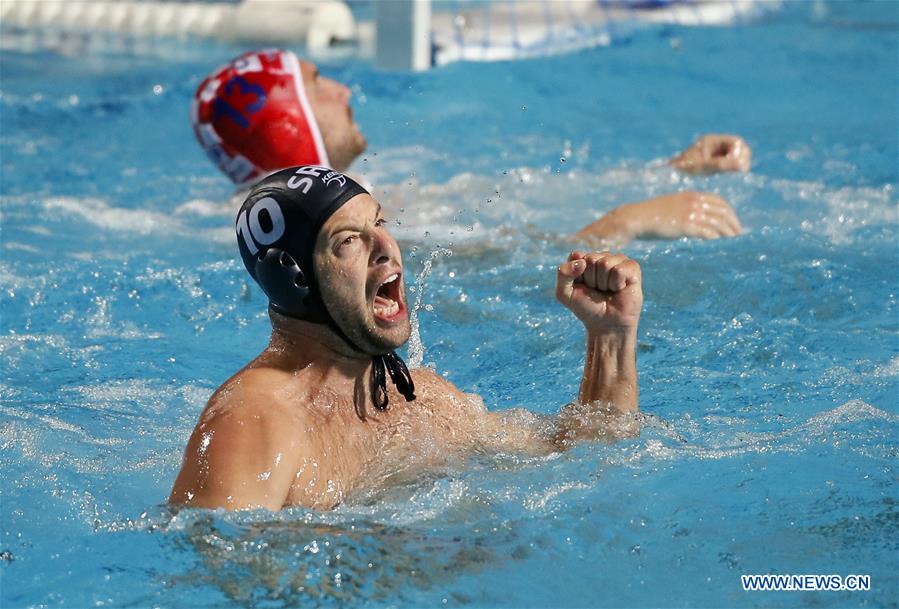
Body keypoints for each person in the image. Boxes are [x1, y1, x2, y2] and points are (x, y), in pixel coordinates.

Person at [170, 165, 644, 511]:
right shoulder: (254, 423)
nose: (386, 249)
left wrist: (609, 337)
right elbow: (211, 579)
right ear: (294, 281)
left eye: (378, 222)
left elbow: (589, 453)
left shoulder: (418, 400)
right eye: (348, 241)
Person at [191, 49, 748, 245]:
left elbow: (495, 202)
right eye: (318, 84)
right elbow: (499, 259)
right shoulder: (316, 226)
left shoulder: (309, 207)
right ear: (288, 121)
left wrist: (672, 171)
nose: (344, 90)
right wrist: (625, 222)